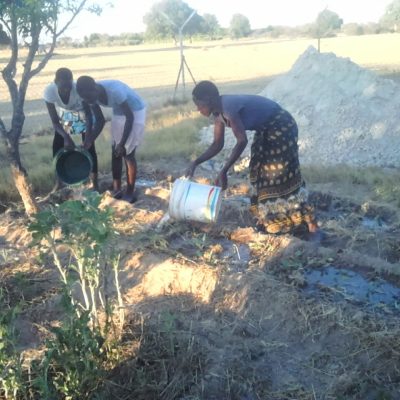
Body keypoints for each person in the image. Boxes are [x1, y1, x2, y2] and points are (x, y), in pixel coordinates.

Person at [187, 80, 322, 239]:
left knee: (278, 175)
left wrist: (224, 171)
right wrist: (196, 162)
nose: (197, 109)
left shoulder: (228, 108)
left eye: (199, 104)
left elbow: (242, 140)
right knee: (257, 172)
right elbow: (217, 144)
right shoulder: (218, 113)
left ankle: (309, 221)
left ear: (209, 100)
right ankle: (270, 220)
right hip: (266, 129)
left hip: (281, 126)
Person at [76, 76, 146, 203]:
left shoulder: (115, 91)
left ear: (95, 88)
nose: (89, 101)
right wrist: (89, 140)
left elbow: (129, 117)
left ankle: (130, 192)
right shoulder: (89, 96)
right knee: (115, 152)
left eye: (90, 98)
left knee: (128, 153)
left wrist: (122, 143)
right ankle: (117, 188)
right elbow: (100, 120)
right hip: (119, 111)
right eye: (86, 99)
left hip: (135, 110)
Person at [44, 67, 98, 190]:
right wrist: (66, 137)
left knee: (90, 148)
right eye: (62, 87)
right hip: (66, 115)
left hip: (83, 114)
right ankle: (59, 183)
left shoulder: (78, 90)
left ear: (72, 81)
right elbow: (55, 121)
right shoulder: (49, 92)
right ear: (55, 81)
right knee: (57, 145)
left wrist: (88, 137)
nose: (66, 90)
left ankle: (95, 183)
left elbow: (89, 115)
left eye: (69, 87)